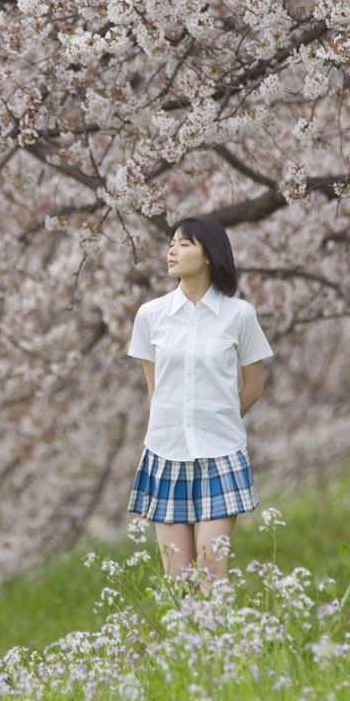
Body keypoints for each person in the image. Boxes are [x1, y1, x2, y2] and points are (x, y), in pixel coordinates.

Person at [126, 216, 275, 596]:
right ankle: (189, 654)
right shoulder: (151, 315)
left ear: (209, 255)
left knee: (212, 571)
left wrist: (216, 419)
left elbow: (254, 386)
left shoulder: (239, 315)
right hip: (166, 453)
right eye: (171, 243)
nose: (171, 250)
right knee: (178, 582)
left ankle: (220, 651)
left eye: (184, 244)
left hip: (220, 455)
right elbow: (155, 390)